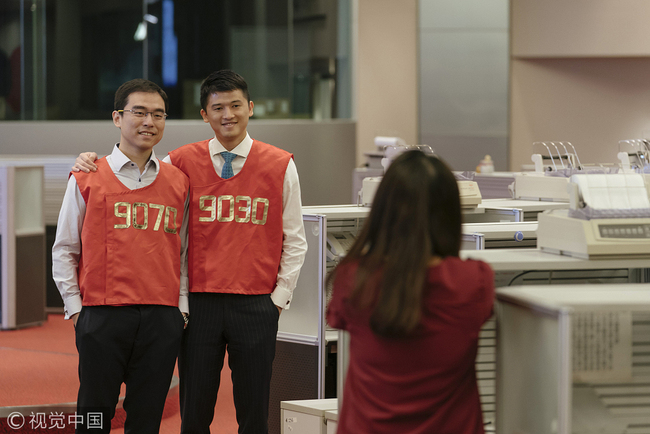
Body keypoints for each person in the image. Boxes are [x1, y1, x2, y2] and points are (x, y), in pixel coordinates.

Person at [73, 69, 308, 434]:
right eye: (217, 108)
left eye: (235, 106)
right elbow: (140, 180)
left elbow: (295, 238)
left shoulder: (280, 163)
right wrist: (90, 160)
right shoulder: (178, 163)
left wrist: (278, 299)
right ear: (204, 115)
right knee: (193, 413)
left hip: (256, 303)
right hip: (197, 305)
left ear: (250, 107)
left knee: (254, 413)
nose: (227, 115)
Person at [52, 79, 190, 433]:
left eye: (158, 114)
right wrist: (76, 309)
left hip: (161, 318)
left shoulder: (178, 181)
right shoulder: (87, 176)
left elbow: (185, 251)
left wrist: (181, 309)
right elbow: (65, 248)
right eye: (139, 112)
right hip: (102, 316)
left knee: (146, 419)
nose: (149, 121)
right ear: (117, 117)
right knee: (94, 417)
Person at [326, 150, 495, 434]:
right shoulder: (473, 282)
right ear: (450, 214)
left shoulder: (355, 278)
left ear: (383, 212)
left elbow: (337, 318)